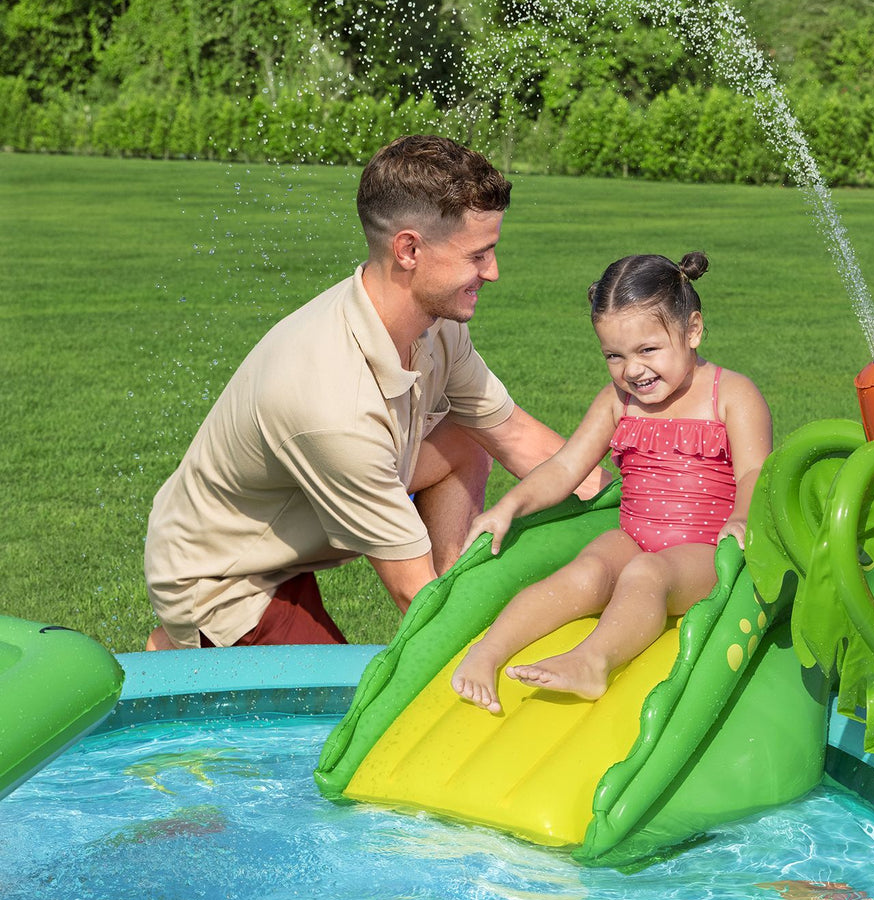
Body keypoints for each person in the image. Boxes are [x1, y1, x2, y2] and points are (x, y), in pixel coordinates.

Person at [144, 134, 605, 650]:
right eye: (477, 255)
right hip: (225, 577)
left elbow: (513, 435)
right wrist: (491, 649)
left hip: (294, 525)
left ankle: (458, 591)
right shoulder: (332, 404)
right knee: (346, 702)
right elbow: (412, 591)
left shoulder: (437, 326)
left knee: (465, 436)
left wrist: (632, 512)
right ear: (409, 250)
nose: (493, 272)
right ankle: (182, 649)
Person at [451, 251, 772, 712]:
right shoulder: (618, 401)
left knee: (647, 573)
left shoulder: (732, 395)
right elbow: (565, 468)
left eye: (648, 350)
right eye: (614, 356)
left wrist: (741, 518)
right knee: (585, 572)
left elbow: (754, 471)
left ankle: (592, 662)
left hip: (705, 554)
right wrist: (508, 507)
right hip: (634, 537)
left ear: (693, 330)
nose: (633, 370)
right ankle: (487, 652)